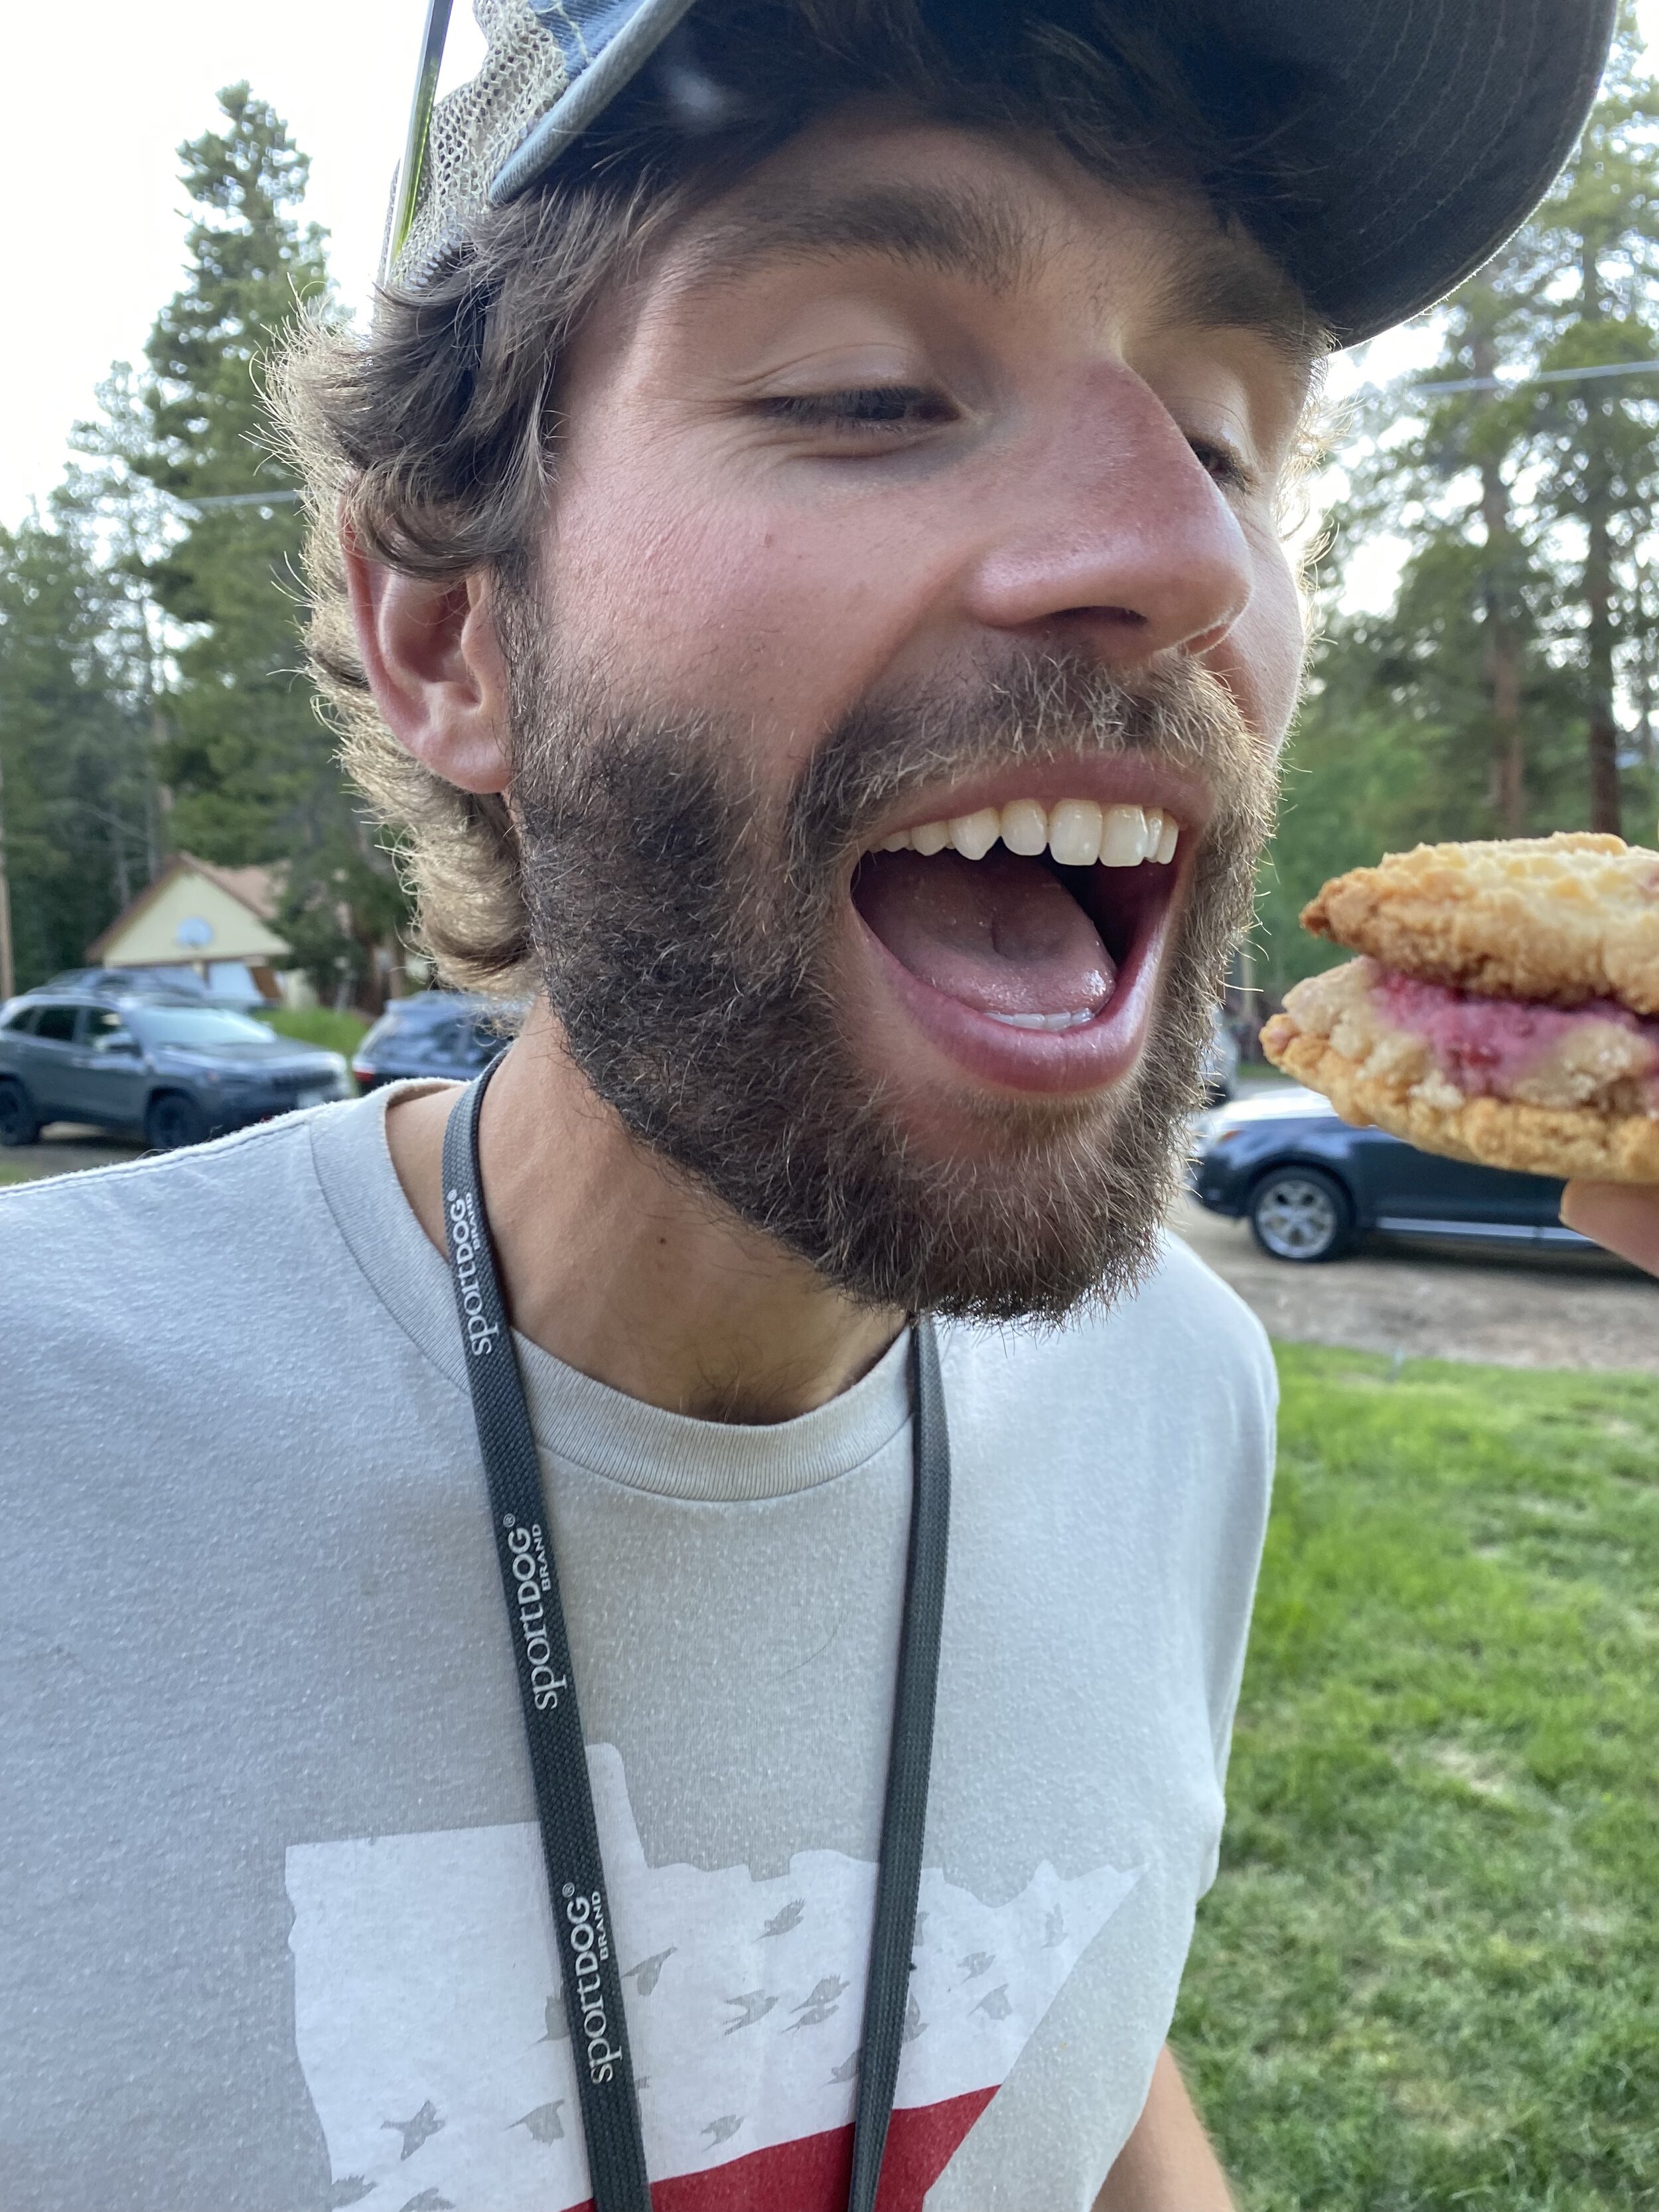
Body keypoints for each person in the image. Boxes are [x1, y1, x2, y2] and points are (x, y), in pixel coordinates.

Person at [0, 3, 1621, 2207]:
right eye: (867, 390)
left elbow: (1045, 2000)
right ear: (450, 641)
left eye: (1232, 437)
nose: (1178, 549)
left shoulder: (1185, 1394)